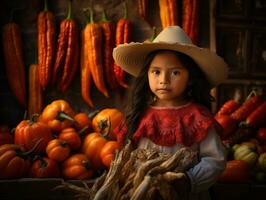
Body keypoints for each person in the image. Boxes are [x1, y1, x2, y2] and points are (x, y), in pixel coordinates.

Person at [112, 26, 228, 200]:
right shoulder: (139, 115)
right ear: (147, 75)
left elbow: (215, 159)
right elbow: (126, 158)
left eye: (175, 72)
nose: (163, 80)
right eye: (156, 72)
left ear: (190, 78)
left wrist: (189, 181)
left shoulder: (198, 117)